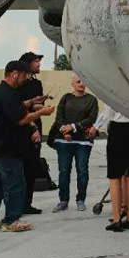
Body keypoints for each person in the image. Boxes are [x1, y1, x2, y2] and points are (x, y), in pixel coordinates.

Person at [0, 61, 54, 232]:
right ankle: (11, 220)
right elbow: (20, 119)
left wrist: (32, 102)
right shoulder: (7, 94)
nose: (26, 79)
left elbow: (15, 108)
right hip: (8, 148)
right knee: (15, 185)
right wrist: (42, 112)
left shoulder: (2, 92)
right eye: (24, 75)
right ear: (14, 74)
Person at [94, 105, 129, 231]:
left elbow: (108, 113)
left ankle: (117, 218)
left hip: (119, 128)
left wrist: (108, 129)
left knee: (115, 177)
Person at [48, 75, 98, 213]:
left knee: (82, 170)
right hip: (64, 140)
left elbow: (91, 118)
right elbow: (59, 116)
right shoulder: (66, 98)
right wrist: (65, 131)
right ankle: (63, 200)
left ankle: (81, 199)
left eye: (83, 81)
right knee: (64, 170)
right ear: (72, 83)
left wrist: (74, 127)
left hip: (83, 140)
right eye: (78, 81)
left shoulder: (91, 100)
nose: (81, 84)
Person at [17, 51, 49, 214]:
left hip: (37, 124)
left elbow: (37, 106)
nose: (39, 64)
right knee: (20, 168)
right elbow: (19, 107)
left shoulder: (37, 84)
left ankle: (27, 203)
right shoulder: (19, 85)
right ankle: (17, 203)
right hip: (24, 128)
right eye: (36, 61)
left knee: (31, 167)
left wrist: (39, 106)